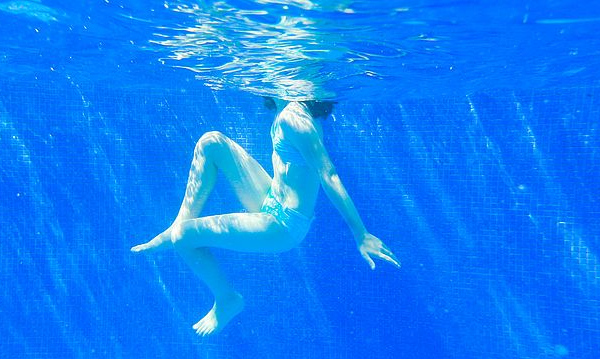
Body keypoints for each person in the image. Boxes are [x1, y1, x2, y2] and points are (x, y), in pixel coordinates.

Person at [131, 99, 399, 336]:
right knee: (211, 142)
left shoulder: (293, 118)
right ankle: (177, 226)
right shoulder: (288, 110)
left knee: (183, 238)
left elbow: (328, 174)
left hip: (283, 226)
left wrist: (360, 233)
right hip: (270, 198)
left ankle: (226, 298)